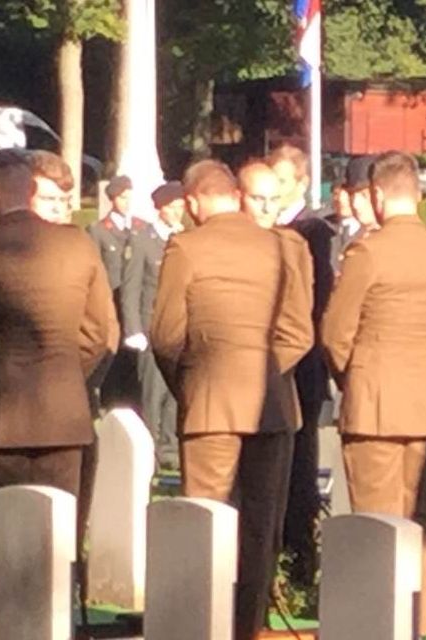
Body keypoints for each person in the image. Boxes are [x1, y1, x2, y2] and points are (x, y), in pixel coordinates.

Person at [0, 148, 116, 640]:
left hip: (0, 416)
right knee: (58, 544)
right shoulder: (78, 245)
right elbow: (101, 333)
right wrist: (65, 370)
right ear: (31, 190)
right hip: (63, 414)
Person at [150, 159, 313, 640]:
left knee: (207, 520)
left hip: (210, 405)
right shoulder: (284, 245)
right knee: (261, 528)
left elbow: (165, 335)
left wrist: (193, 384)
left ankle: (204, 626)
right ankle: (248, 626)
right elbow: (298, 331)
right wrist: (260, 373)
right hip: (272, 405)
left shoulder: (186, 246)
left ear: (197, 200)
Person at [321, 151, 426, 636]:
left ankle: (377, 627)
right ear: (418, 196)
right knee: (421, 528)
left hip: (375, 405)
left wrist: (353, 379)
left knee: (378, 525)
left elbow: (336, 333)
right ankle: (420, 626)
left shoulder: (369, 251)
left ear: (377, 195)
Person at [267, 143, 336, 585]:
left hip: (300, 362)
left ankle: (298, 556)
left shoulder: (315, 232)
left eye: (282, 184)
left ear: (301, 183)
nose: (273, 195)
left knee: (299, 463)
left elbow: (316, 300)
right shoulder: (262, 227)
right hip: (266, 362)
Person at [120, 181, 186, 469]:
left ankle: (170, 448)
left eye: (181, 206)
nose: (178, 212)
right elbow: (131, 287)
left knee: (175, 396)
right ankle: (149, 450)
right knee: (152, 393)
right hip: (150, 329)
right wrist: (133, 329)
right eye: (172, 207)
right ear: (160, 209)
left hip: (178, 330)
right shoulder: (143, 241)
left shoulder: (184, 239)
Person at [88, 174, 142, 411]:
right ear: (112, 199)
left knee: (135, 357)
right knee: (113, 354)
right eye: (122, 197)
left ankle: (134, 399)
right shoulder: (98, 231)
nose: (127, 201)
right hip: (111, 302)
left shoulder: (141, 228)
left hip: (136, 303)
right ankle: (111, 401)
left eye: (130, 196)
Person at [29, 149, 74, 224]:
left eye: (63, 200)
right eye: (48, 199)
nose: (56, 209)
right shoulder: (7, 234)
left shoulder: (78, 235)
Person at [237, 158, 284, 228]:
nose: (267, 209)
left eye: (274, 200)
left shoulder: (289, 237)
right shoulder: (221, 236)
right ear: (238, 197)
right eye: (259, 199)